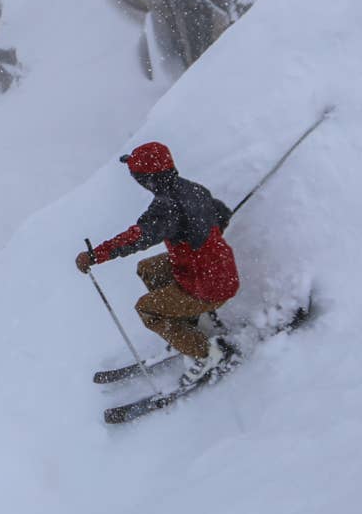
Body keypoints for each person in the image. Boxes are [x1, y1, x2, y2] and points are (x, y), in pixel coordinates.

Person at [75, 141, 239, 380]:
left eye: (137, 175)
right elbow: (222, 214)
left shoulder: (166, 209)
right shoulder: (194, 189)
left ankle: (208, 354)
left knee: (147, 309)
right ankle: (185, 328)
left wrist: (94, 256)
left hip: (209, 285)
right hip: (220, 267)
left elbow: (136, 238)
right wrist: (200, 243)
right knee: (148, 269)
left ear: (148, 179)